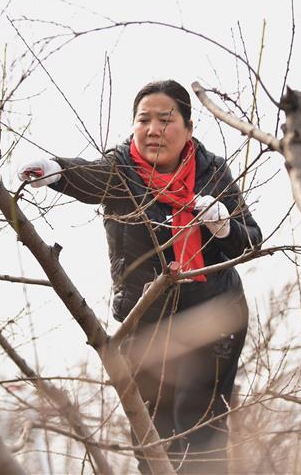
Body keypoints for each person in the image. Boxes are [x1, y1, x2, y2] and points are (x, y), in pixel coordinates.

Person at [18, 80, 261, 474]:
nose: (152, 130)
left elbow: (250, 242)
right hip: (144, 321)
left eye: (165, 120)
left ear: (189, 127)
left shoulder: (213, 172)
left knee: (201, 430)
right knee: (151, 434)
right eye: (143, 120)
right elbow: (91, 178)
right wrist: (58, 172)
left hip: (212, 317)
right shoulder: (122, 170)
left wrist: (223, 226)